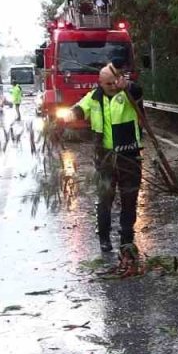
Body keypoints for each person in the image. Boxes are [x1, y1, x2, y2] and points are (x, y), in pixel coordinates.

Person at [71, 63, 145, 272]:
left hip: (129, 156)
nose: (112, 86)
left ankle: (126, 241)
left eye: (115, 82)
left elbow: (138, 91)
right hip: (105, 158)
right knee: (105, 199)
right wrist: (70, 114)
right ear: (100, 83)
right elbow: (79, 109)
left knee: (130, 199)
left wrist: (127, 85)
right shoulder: (94, 98)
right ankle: (104, 238)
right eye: (108, 83)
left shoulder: (128, 94)